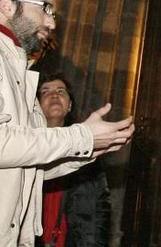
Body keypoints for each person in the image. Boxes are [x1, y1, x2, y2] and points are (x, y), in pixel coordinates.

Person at [0, 0, 134, 246]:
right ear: (7, 6)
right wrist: (80, 137)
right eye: (46, 8)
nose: (52, 22)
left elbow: (28, 165)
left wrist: (86, 150)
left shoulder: (22, 75)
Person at [36, 74, 111, 247]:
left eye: (61, 91)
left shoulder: (85, 152)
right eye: (45, 92)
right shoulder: (22, 146)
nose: (54, 95)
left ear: (69, 105)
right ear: (36, 106)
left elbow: (100, 207)